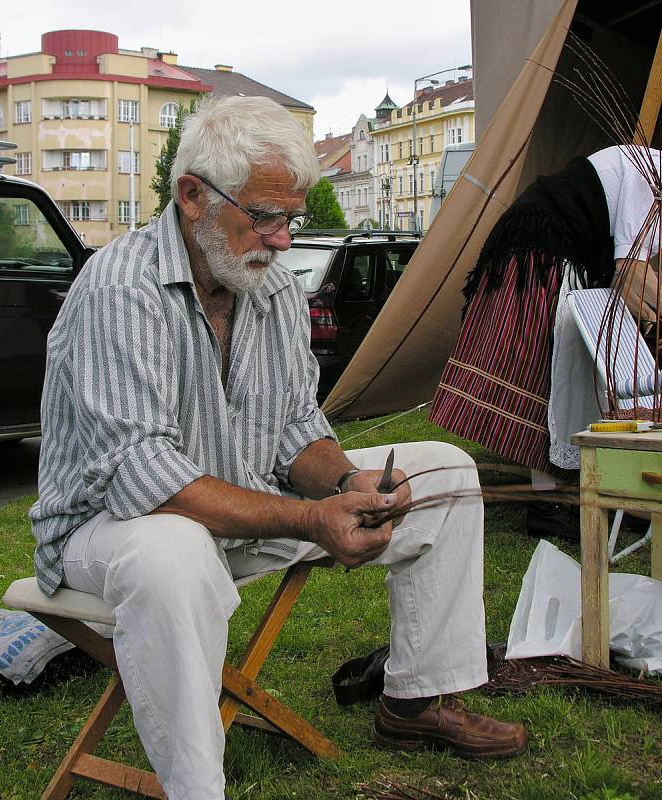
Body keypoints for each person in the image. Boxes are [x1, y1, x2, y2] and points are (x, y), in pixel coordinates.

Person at [30, 95, 527, 800]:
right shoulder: (121, 287)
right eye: (263, 217)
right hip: (106, 529)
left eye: (291, 218)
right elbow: (146, 480)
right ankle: (196, 790)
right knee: (172, 550)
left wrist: (348, 482)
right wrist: (304, 518)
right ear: (192, 195)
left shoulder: (267, 288)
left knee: (444, 468)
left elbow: (295, 428)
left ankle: (415, 702)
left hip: (241, 509)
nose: (283, 239)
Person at [430, 145, 661, 536]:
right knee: (553, 375)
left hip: (559, 249)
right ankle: (549, 503)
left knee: (577, 379)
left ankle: (591, 491)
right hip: (541, 250)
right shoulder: (652, 174)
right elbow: (632, 271)